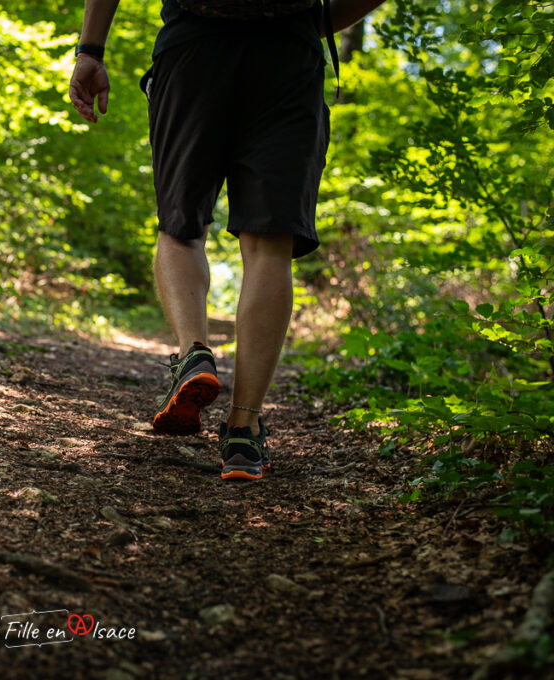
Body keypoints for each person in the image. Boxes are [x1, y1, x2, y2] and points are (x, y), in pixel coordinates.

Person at [69, 0, 385, 480]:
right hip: (288, 53)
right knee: (269, 245)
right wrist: (311, 21)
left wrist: (90, 49)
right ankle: (244, 430)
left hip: (193, 46)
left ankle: (194, 353)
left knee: (181, 226)